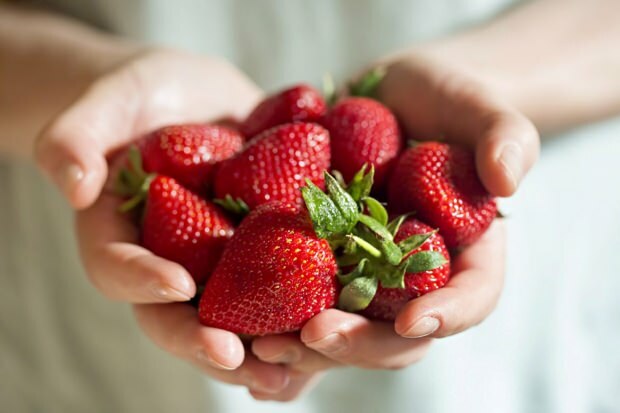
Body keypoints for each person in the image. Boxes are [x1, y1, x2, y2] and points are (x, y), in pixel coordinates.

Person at [1, 0, 619, 411]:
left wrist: (484, 78)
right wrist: (83, 83)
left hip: (529, 343)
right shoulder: (298, 219)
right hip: (92, 359)